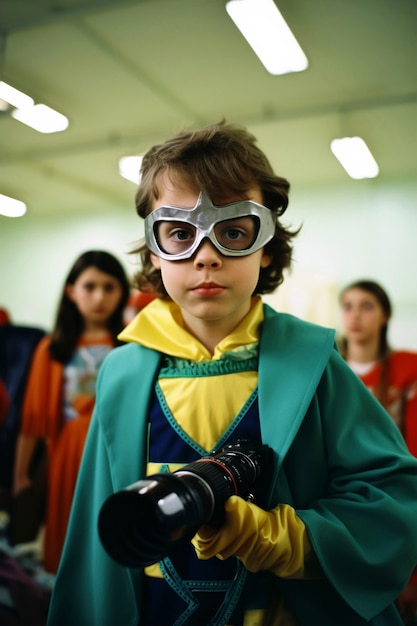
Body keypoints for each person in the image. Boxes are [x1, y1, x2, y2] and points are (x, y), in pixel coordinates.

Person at [47, 121, 417, 626]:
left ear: (266, 248)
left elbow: (392, 495)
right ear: (155, 252)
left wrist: (283, 539)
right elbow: (96, 542)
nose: (206, 256)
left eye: (234, 231)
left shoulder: (311, 362)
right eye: (180, 232)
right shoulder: (124, 372)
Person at [13, 250, 130, 574]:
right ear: (71, 292)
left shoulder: (131, 346)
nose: (99, 297)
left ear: (122, 292)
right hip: (67, 453)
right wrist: (21, 475)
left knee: (112, 530)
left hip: (116, 452)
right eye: (89, 286)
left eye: (109, 287)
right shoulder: (53, 348)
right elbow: (34, 421)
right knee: (69, 528)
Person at [339, 279, 417, 625]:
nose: (355, 315)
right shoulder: (325, 368)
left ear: (385, 315)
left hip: (394, 502)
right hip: (336, 505)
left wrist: (409, 575)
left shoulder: (408, 369)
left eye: (367, 306)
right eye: (348, 305)